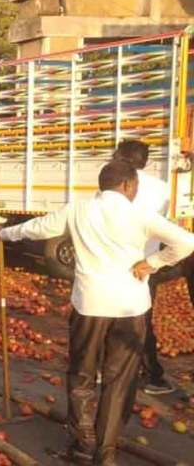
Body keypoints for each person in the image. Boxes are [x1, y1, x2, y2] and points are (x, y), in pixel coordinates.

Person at [0, 161, 194, 465]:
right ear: (126, 185)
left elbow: (37, 227)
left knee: (82, 373)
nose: (136, 191)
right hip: (130, 306)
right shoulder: (139, 213)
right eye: (135, 185)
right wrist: (153, 263)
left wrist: (3, 232)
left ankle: (84, 440)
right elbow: (186, 241)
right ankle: (105, 452)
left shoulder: (78, 209)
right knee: (119, 379)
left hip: (90, 305)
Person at [108, 141, 174, 396]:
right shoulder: (162, 188)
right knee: (140, 321)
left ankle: (112, 371)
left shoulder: (115, 185)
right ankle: (152, 376)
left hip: (114, 262)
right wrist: (155, 262)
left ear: (120, 157)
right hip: (146, 264)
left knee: (110, 319)